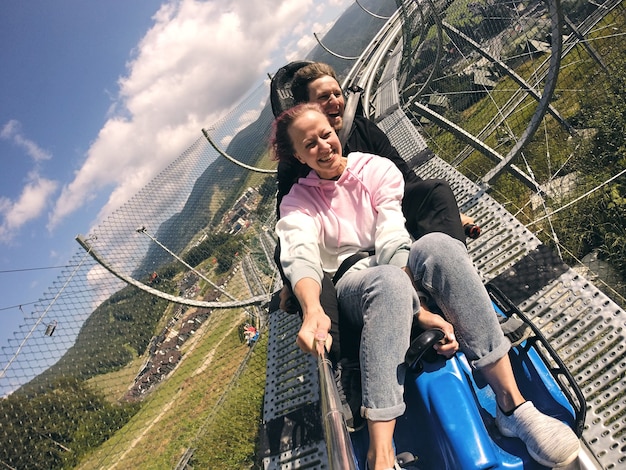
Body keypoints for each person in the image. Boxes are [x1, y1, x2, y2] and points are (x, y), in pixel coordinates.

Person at [271, 103, 580, 470]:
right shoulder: (297, 202)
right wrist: (312, 310)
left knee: (439, 247)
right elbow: (300, 255)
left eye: (326, 134)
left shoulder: (374, 169)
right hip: (354, 277)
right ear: (298, 155)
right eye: (310, 144)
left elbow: (389, 231)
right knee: (386, 282)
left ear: (335, 131)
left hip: (396, 257)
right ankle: (380, 454)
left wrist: (417, 305)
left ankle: (512, 405)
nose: (323, 146)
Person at [275, 61, 530, 350]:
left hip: (389, 217)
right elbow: (289, 228)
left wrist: (448, 212)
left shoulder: (363, 130)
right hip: (343, 247)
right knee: (298, 263)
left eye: (337, 93)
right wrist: (292, 283)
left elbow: (405, 175)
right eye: (323, 97)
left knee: (434, 192)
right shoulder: (293, 167)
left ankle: (469, 302)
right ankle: (342, 356)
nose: (334, 102)